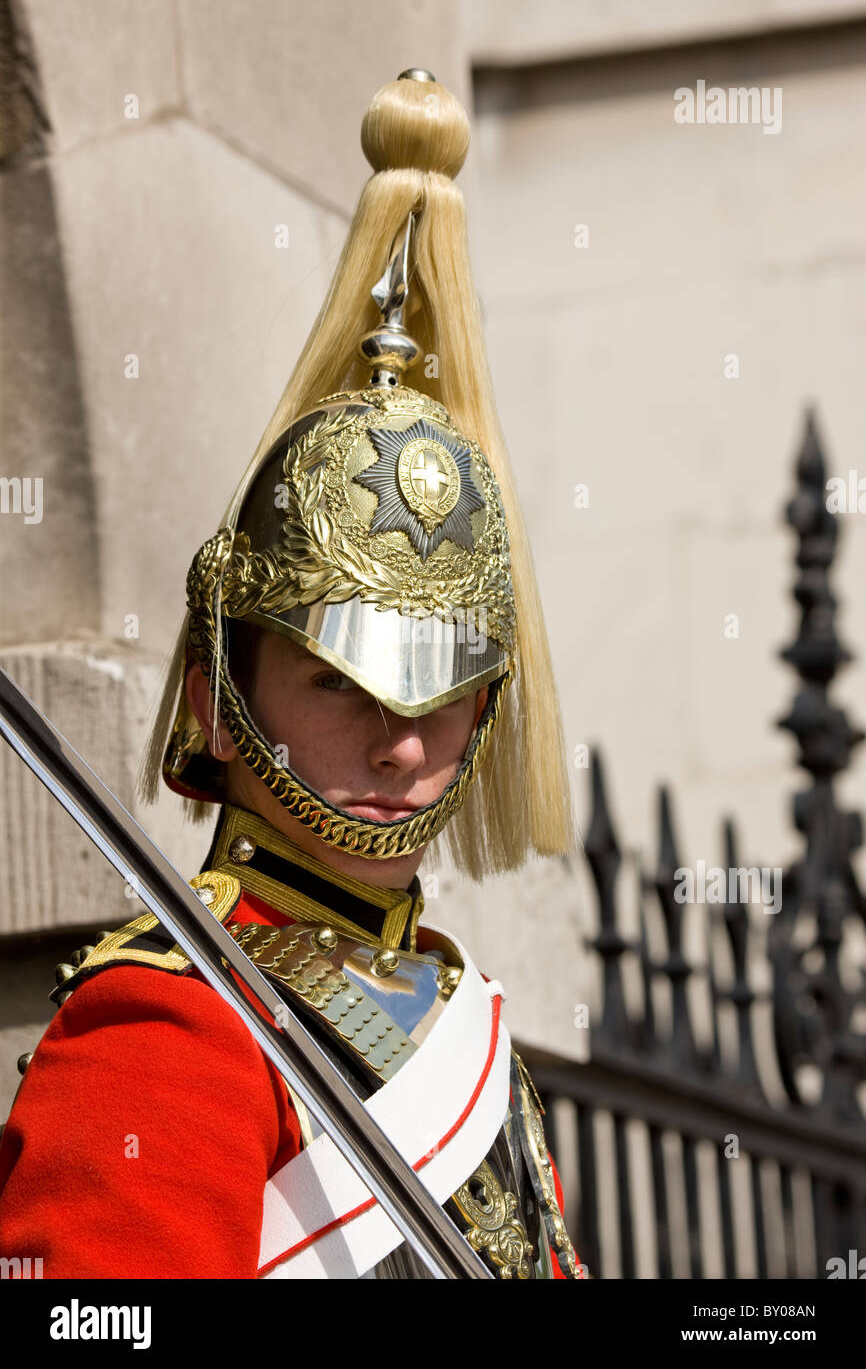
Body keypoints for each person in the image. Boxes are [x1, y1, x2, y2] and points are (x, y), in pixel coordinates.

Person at [0, 71, 582, 1279]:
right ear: (221, 694)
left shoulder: (464, 1022)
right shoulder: (163, 1026)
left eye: (439, 692)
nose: (400, 743)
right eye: (340, 682)